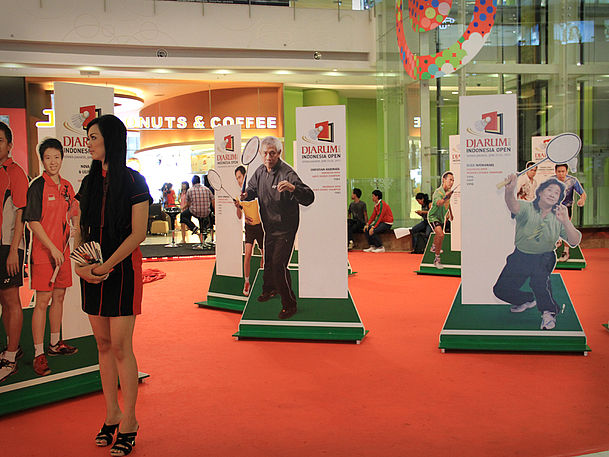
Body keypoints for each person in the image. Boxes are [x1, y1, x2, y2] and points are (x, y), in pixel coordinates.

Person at [75, 114, 151, 456]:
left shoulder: (135, 181)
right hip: (91, 271)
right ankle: (112, 414)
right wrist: (81, 266)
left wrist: (106, 266)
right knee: (103, 345)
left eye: (94, 137)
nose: (88, 143)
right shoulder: (88, 182)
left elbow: (138, 233)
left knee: (121, 347)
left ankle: (130, 420)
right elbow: (80, 229)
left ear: (111, 139)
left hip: (122, 273)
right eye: (88, 137)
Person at [493, 175, 581, 330]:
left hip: (544, 257)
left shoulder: (558, 216)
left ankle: (549, 312)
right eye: (549, 190)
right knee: (500, 290)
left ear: (559, 199)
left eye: (557, 193)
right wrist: (509, 191)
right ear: (540, 192)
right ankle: (526, 300)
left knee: (539, 281)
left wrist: (566, 222)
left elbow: (575, 241)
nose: (552, 194)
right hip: (521, 255)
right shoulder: (527, 208)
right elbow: (513, 205)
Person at [23, 138, 80, 377]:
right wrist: (52, 249)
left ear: (62, 158)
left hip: (63, 253)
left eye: (56, 157)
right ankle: (38, 353)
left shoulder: (66, 186)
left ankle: (55, 343)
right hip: (44, 254)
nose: (53, 162)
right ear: (42, 160)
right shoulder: (37, 186)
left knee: (59, 297)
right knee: (43, 301)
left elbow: (74, 209)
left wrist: (75, 225)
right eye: (48, 158)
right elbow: (32, 221)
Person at [241, 136, 314, 319]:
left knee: (278, 264)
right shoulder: (259, 171)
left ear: (279, 153)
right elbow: (252, 190)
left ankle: (290, 304)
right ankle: (269, 289)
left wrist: (293, 188)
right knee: (268, 261)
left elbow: (309, 197)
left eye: (272, 153)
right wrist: (246, 195)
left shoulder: (287, 173)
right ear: (260, 154)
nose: (268, 157)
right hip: (269, 226)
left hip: (286, 228)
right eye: (265, 153)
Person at [0, 121, 28, 384]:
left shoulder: (16, 173)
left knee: (11, 300)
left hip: (9, 246)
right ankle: (12, 347)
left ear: (9, 145)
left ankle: (10, 358)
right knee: (3, 301)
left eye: (0, 140)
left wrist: (12, 251)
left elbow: (21, 214)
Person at [234, 166, 264, 296]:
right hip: (249, 228)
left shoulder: (255, 192)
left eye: (240, 177)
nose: (239, 181)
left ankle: (262, 279)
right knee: (247, 254)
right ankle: (247, 281)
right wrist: (238, 207)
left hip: (261, 227)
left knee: (264, 255)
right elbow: (239, 216)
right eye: (237, 179)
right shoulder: (239, 197)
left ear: (245, 176)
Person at [552, 163, 586, 262]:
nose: (561, 174)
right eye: (559, 171)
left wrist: (582, 200)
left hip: (567, 208)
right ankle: (555, 244)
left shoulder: (572, 181)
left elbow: (583, 193)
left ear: (566, 171)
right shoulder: (551, 181)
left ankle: (566, 251)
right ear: (555, 172)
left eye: (563, 171)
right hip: (553, 207)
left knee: (567, 229)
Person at [427, 171, 455, 269]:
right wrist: (446, 197)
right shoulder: (438, 192)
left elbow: (448, 203)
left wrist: (450, 213)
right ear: (444, 180)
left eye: (453, 180)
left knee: (439, 235)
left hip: (441, 217)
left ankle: (434, 246)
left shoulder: (448, 191)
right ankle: (437, 259)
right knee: (441, 235)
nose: (452, 182)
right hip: (433, 217)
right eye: (450, 180)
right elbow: (439, 203)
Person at [180, 175, 213, 249]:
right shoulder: (207, 189)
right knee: (203, 220)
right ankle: (203, 234)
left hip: (195, 211)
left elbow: (188, 203)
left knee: (183, 216)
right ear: (200, 181)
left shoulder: (190, 190)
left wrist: (183, 207)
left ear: (192, 183)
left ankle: (194, 228)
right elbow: (212, 199)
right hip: (206, 212)